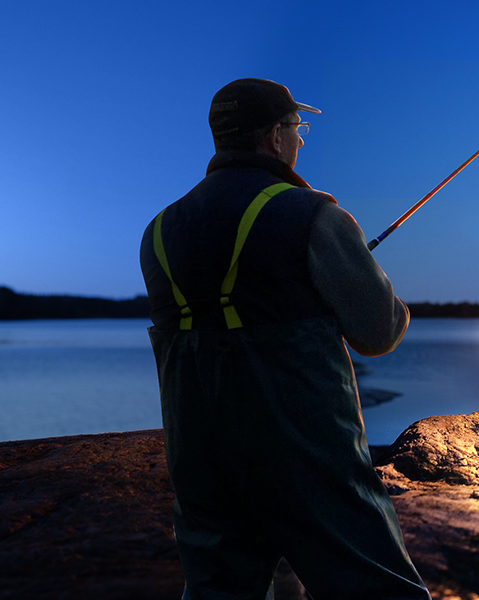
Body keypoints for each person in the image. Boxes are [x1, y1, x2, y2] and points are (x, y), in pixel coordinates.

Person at [139, 78, 430, 599]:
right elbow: (378, 332)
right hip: (306, 457)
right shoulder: (312, 213)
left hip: (199, 459)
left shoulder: (159, 230)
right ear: (275, 135)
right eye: (298, 128)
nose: (300, 140)